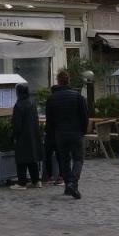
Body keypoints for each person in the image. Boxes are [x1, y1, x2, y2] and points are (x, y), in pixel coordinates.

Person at [45, 70, 88, 199]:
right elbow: (84, 116)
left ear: (58, 81)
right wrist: (83, 131)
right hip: (75, 132)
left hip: (60, 134)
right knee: (78, 159)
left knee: (64, 160)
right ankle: (72, 183)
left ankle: (68, 185)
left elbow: (49, 120)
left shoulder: (52, 99)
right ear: (68, 80)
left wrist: (52, 135)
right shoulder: (77, 96)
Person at [9, 83, 42, 190]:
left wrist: (14, 136)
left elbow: (16, 124)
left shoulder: (18, 105)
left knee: (21, 160)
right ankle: (36, 181)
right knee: (33, 159)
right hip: (33, 134)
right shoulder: (32, 103)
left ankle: (22, 183)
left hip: (22, 136)